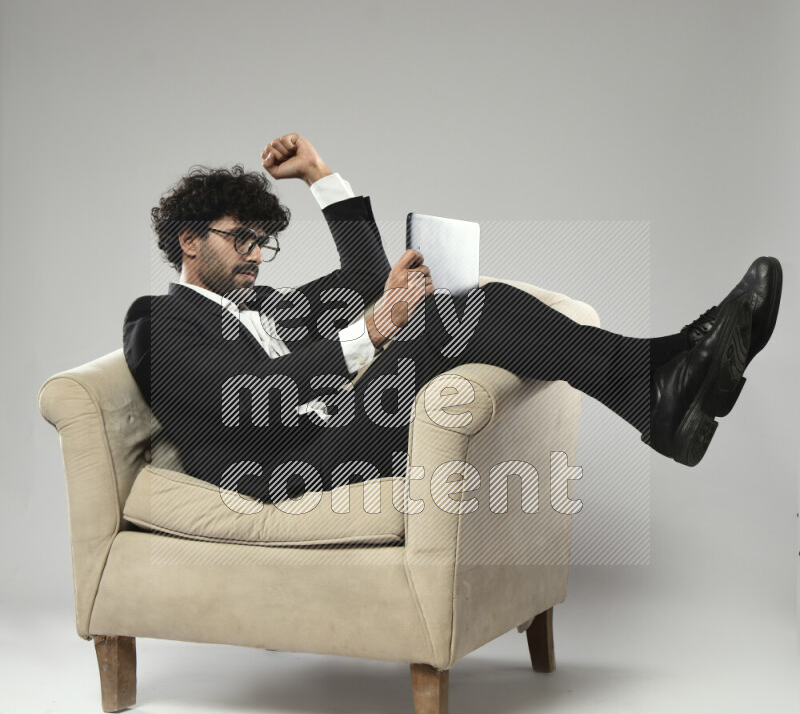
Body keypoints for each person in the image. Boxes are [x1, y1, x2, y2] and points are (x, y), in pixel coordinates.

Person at [123, 133, 782, 507]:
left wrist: (320, 175)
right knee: (454, 318)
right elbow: (235, 397)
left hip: (339, 434)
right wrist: (373, 329)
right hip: (282, 472)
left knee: (477, 302)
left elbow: (363, 280)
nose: (254, 254)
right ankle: (661, 377)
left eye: (261, 242)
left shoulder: (266, 308)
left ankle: (661, 379)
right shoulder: (157, 321)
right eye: (240, 238)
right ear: (188, 240)